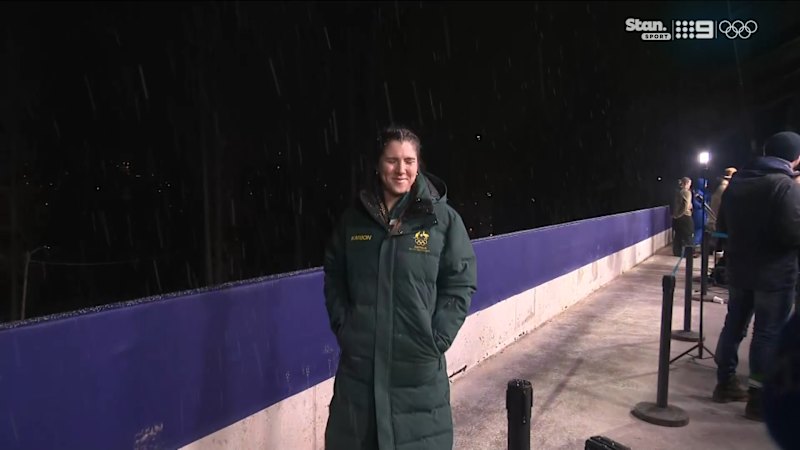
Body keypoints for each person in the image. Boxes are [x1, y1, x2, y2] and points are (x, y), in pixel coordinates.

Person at [323, 126, 478, 449]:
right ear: (378, 165)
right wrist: (345, 326)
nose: (401, 169)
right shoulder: (354, 221)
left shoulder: (443, 221)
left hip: (418, 371)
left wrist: (435, 338)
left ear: (418, 165)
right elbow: (335, 274)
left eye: (409, 161)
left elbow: (460, 282)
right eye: (392, 160)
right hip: (359, 373)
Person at [712, 131, 800, 421]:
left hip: (739, 269)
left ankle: (725, 383)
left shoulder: (738, 182)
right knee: (768, 334)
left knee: (733, 326)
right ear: (794, 156)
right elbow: (792, 233)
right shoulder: (784, 186)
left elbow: (722, 225)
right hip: (774, 275)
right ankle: (759, 399)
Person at [671, 177, 694, 257]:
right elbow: (686, 205)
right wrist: (681, 214)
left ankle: (677, 252)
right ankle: (689, 253)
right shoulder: (687, 192)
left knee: (678, 235)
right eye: (689, 184)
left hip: (677, 217)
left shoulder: (677, 191)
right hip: (685, 216)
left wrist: (676, 215)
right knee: (688, 234)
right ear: (686, 183)